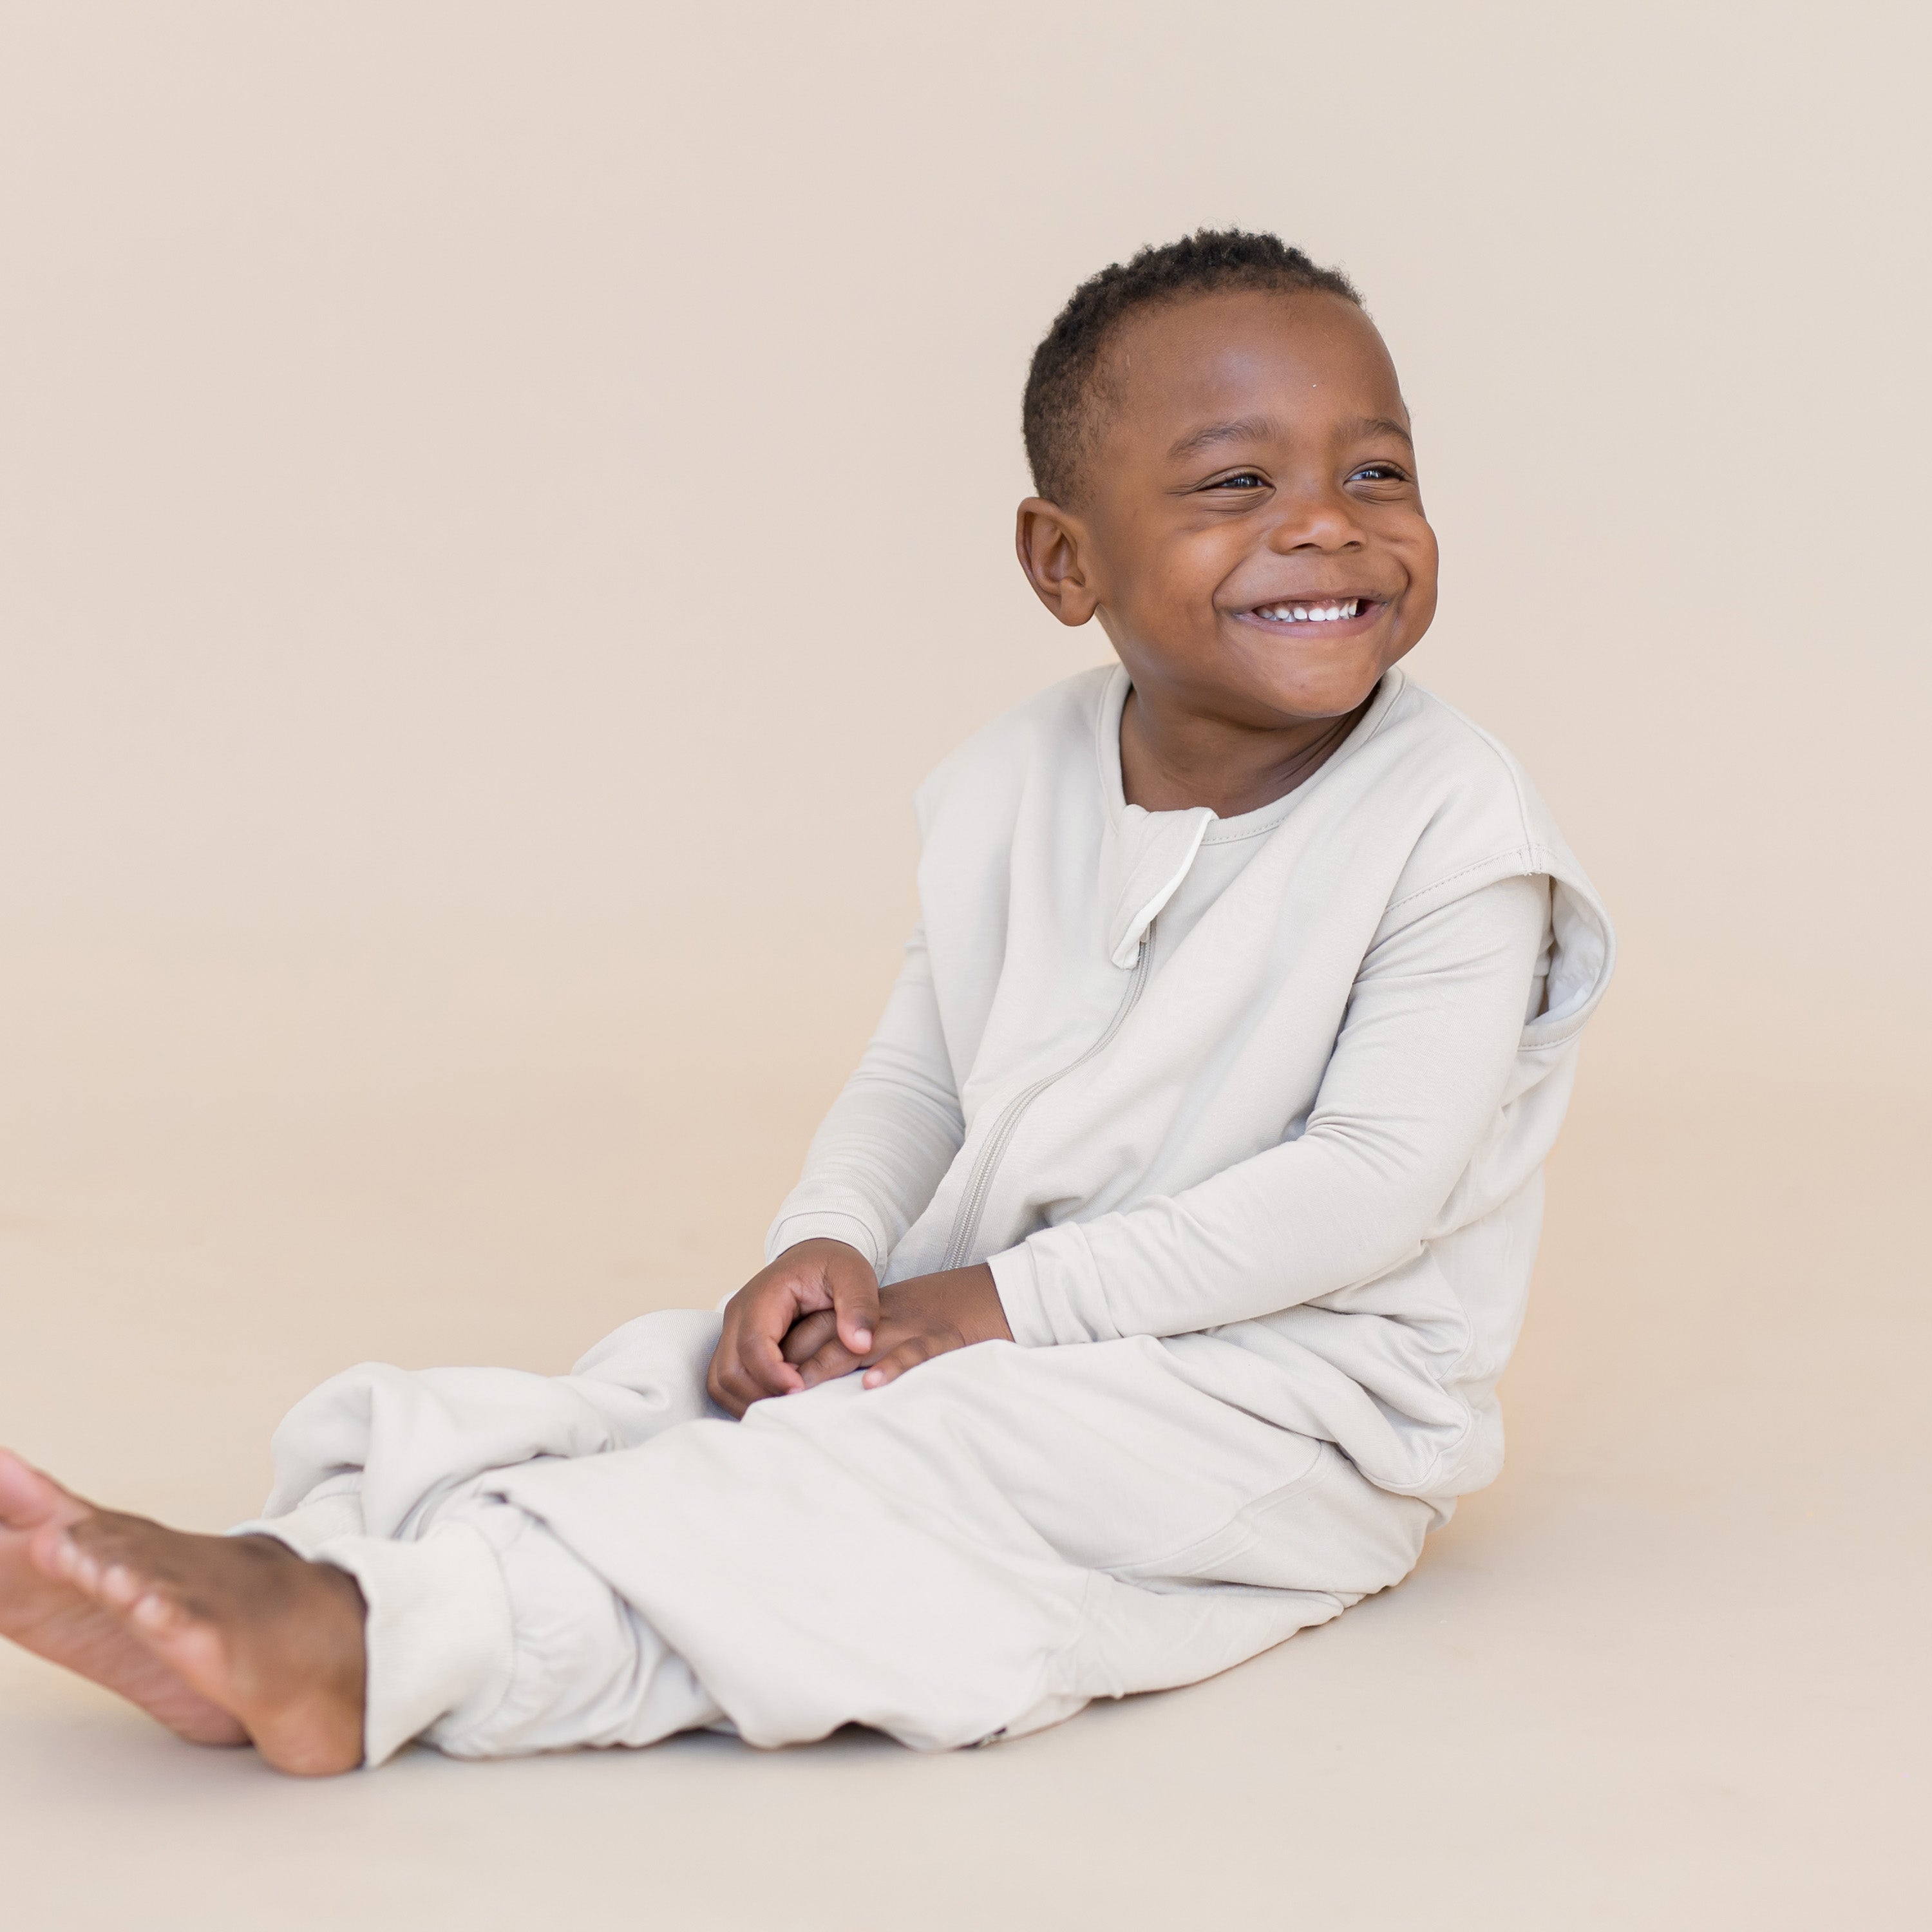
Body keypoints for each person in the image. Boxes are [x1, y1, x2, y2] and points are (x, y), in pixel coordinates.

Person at [0, 230, 1614, 1776]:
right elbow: (924, 1067)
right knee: (677, 1374)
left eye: (1376, 472)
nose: (1328, 523)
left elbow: (1367, 1190)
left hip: (1287, 1408)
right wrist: (832, 1235)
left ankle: (386, 1642)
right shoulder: (1016, 782)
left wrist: (1000, 1308)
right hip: (998, 1311)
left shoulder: (1454, 824)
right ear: (1067, 561)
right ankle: (319, 1550)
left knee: (884, 1488)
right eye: (1237, 484)